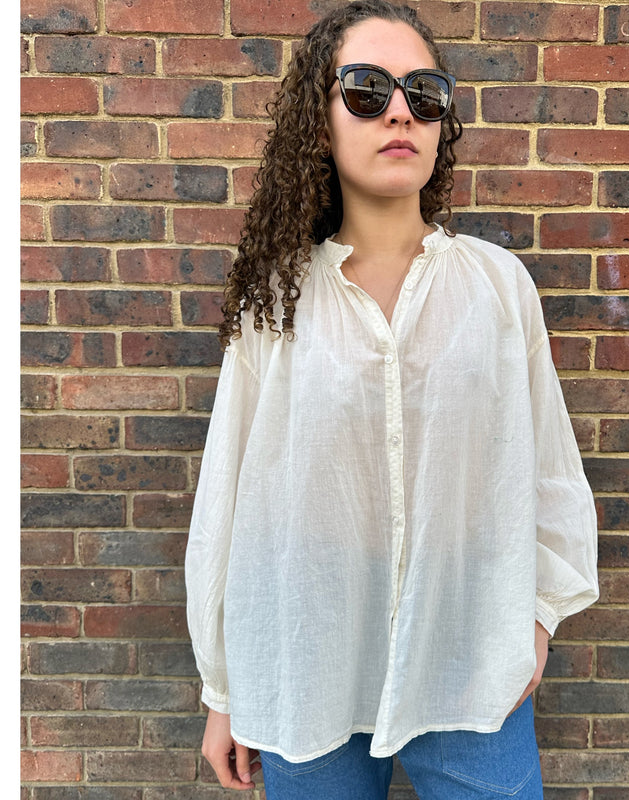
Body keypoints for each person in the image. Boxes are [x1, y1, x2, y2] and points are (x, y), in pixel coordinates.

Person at [184, 1, 599, 797]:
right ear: (320, 118)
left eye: (424, 93)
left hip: (469, 654)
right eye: (367, 90)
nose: (400, 111)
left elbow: (547, 466)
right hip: (310, 662)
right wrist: (225, 690)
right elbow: (231, 499)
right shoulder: (277, 300)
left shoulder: (497, 287)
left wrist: (538, 616)